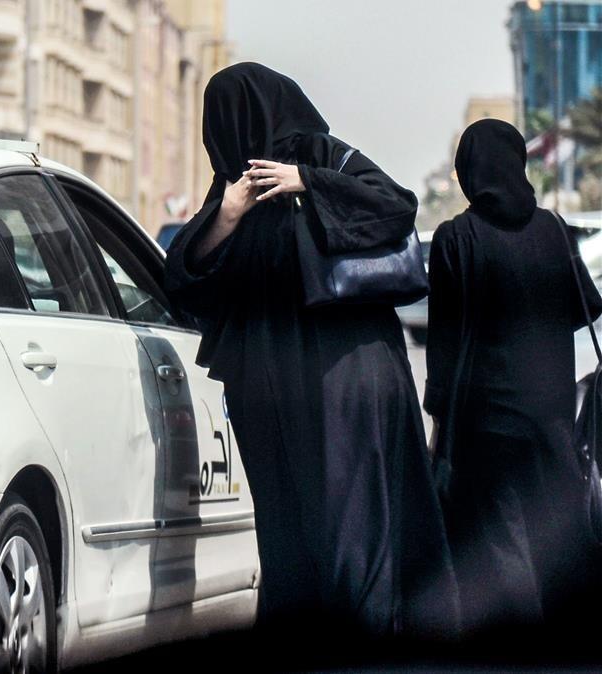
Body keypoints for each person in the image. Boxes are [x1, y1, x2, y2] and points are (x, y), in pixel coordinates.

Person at [164, 62, 459, 640]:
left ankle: (368, 633)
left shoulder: (318, 151)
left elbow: (395, 206)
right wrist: (227, 217)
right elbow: (183, 278)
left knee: (352, 512)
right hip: (265, 377)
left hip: (343, 368)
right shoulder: (230, 186)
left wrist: (307, 181)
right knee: (284, 514)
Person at [425, 118, 602, 638]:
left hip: (485, 428)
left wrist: (440, 428)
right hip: (551, 422)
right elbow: (585, 306)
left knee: (497, 548)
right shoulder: (553, 229)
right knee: (557, 545)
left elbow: (445, 344)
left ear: (468, 171)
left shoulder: (456, 238)